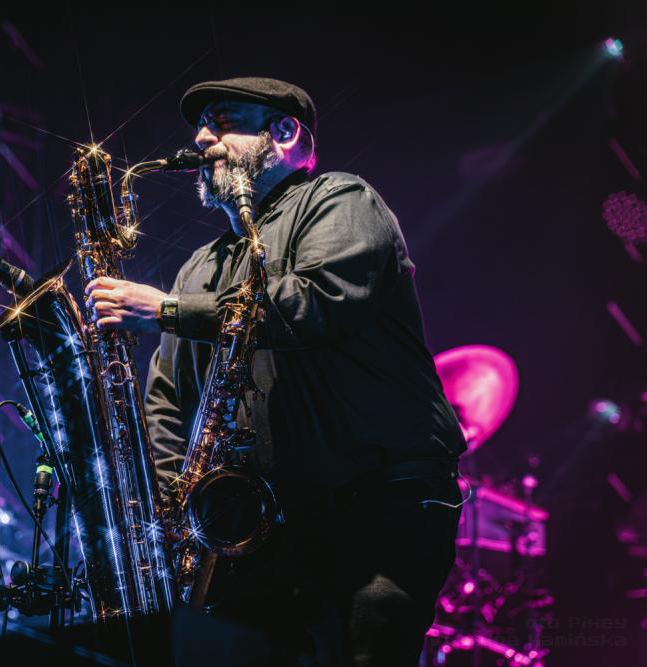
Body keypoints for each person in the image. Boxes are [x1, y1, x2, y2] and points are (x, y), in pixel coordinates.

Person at [85, 77, 467, 665]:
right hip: (261, 533)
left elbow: (318, 301)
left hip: (374, 513)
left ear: (284, 133)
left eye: (222, 120)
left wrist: (168, 310)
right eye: (201, 125)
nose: (201, 138)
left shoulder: (341, 199)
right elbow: (166, 400)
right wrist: (177, 509)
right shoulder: (200, 266)